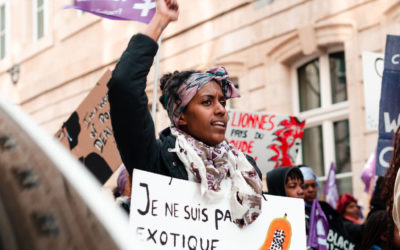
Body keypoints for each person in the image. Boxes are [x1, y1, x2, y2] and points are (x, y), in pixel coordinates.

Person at [107, 0, 263, 227]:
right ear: (181, 117)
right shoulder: (156, 160)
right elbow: (124, 86)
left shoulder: (245, 167)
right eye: (207, 102)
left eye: (222, 101)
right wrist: (160, 21)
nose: (220, 109)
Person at [299, 166, 355, 250]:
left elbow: (341, 226)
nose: (311, 190)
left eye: (313, 185)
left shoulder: (325, 208)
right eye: (305, 186)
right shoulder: (298, 211)